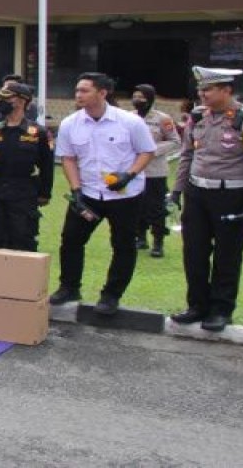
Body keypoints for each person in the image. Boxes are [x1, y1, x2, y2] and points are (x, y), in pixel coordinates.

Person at [170, 66, 243, 332]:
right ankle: (197, 306)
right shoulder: (197, 117)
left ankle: (220, 310)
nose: (201, 95)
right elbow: (186, 156)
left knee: (227, 255)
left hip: (232, 194)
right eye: (200, 90)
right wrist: (178, 191)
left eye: (207, 90)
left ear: (226, 90)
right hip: (197, 193)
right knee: (194, 252)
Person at [51, 72, 156, 315]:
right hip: (87, 193)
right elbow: (68, 158)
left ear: (102, 93)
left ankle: (111, 295)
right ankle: (69, 287)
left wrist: (128, 175)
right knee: (71, 241)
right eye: (77, 90)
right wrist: (76, 190)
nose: (79, 95)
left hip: (124, 195)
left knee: (123, 245)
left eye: (85, 90)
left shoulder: (129, 121)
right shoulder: (70, 123)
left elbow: (146, 152)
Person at [0, 83, 53, 251]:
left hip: (23, 194)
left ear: (21, 101)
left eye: (6, 97)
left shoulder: (37, 132)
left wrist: (44, 193)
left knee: (22, 240)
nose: (1, 101)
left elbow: (47, 166)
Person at [130, 83, 180, 257]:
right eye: (135, 96)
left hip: (155, 171)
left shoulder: (162, 119)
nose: (137, 100)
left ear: (150, 99)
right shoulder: (128, 117)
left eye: (141, 97)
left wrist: (152, 150)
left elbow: (175, 141)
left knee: (156, 208)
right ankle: (140, 237)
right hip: (133, 171)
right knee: (136, 206)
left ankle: (158, 242)